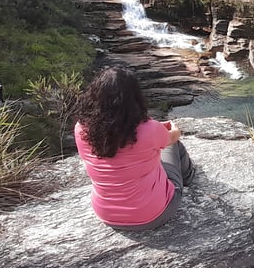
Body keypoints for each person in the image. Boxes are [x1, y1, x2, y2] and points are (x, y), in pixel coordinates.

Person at [73, 66, 195, 231]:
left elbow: (115, 137)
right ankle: (188, 178)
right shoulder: (150, 129)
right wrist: (173, 128)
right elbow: (173, 136)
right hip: (153, 214)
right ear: (134, 97)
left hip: (107, 215)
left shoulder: (81, 128)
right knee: (173, 146)